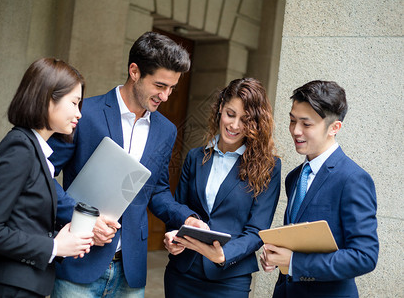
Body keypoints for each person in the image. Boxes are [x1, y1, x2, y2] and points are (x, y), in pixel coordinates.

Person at [48, 31, 206, 297]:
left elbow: (155, 190)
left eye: (171, 88)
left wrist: (187, 218)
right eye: (159, 86)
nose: (166, 96)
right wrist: (83, 219)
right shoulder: (84, 114)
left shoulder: (166, 130)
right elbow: (44, 176)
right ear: (134, 71)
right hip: (79, 261)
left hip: (130, 272)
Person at [0, 58, 94, 297]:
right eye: (74, 102)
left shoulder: (36, 150)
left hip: (24, 285)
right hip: (8, 288)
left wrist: (63, 238)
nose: (79, 113)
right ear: (48, 98)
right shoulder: (19, 148)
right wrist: (55, 246)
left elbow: (25, 220)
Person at [163, 78, 281, 298]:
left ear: (256, 123)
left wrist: (223, 254)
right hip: (182, 274)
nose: (235, 125)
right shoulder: (195, 157)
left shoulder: (269, 167)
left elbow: (256, 231)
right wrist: (173, 237)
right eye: (230, 114)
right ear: (219, 109)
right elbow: (178, 210)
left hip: (229, 279)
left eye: (245, 119)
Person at [260, 80, 379, 298]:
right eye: (292, 120)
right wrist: (277, 258)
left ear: (334, 127)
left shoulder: (353, 179)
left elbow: (365, 256)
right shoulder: (294, 177)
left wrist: (295, 262)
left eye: (306, 124)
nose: (295, 131)